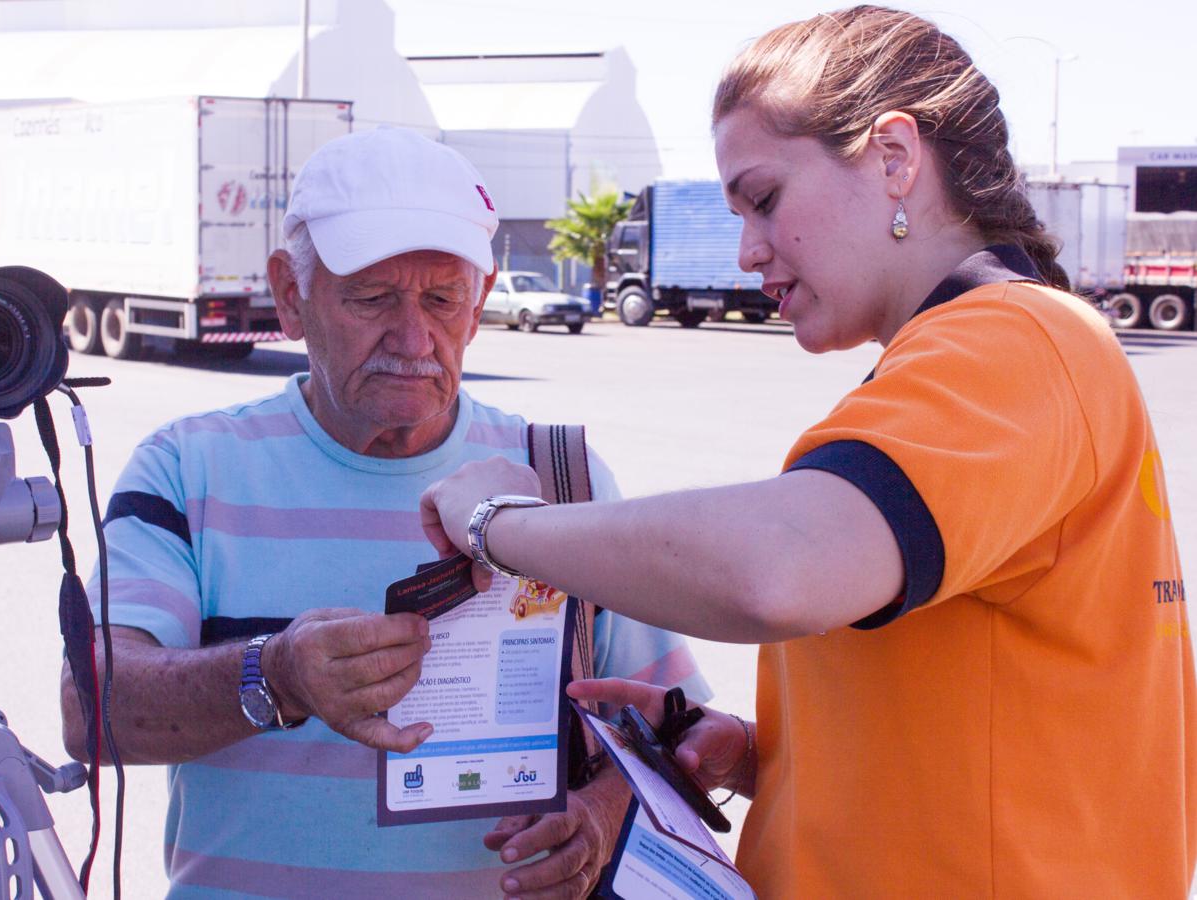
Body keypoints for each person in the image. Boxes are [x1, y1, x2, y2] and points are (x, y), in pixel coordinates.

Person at [419, 7, 1196, 897]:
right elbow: (1006, 723)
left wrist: (503, 524)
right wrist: (757, 755)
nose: (748, 250)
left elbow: (777, 571)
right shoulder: (1006, 354)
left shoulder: (1012, 342)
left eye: (765, 198)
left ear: (896, 157)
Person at [60, 127, 708, 898]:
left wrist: (598, 820)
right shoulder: (187, 469)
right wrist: (275, 675)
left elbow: (673, 727)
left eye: (442, 299)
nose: (413, 338)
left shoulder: (560, 481)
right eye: (371, 298)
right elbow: (91, 709)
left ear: (482, 301)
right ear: (290, 296)